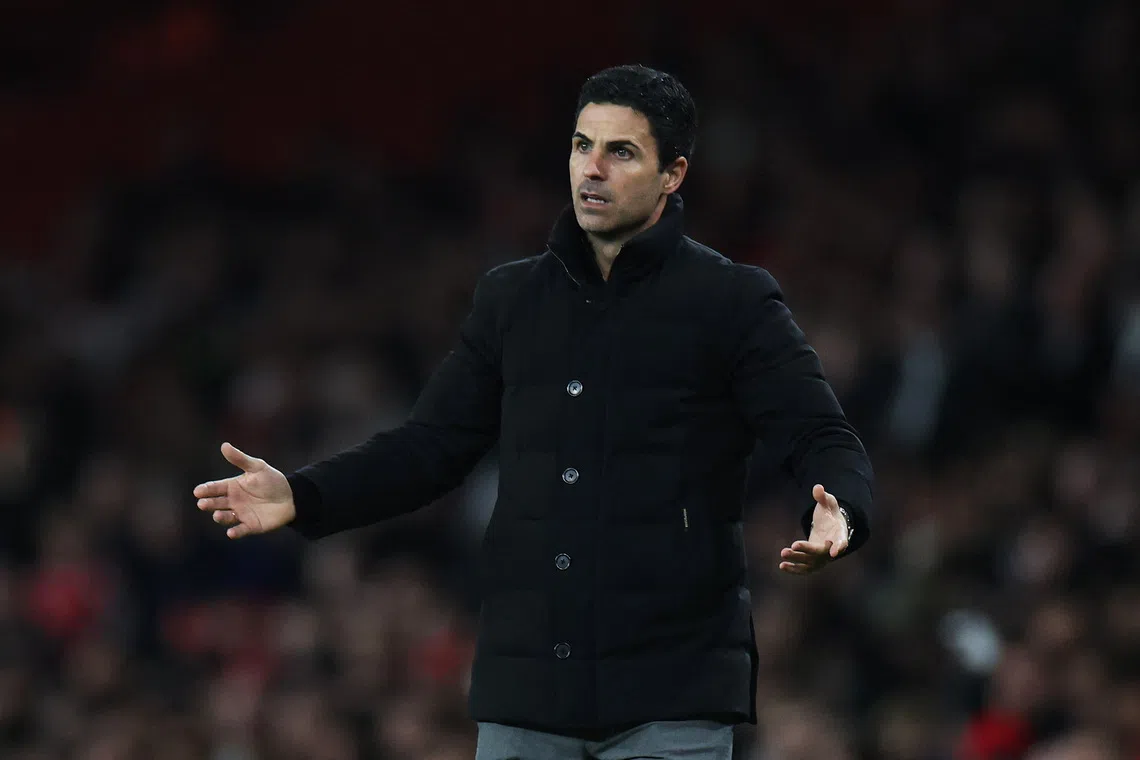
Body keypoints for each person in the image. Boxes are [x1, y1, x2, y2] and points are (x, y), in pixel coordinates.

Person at [193, 64, 874, 760]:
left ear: (674, 175)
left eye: (621, 152)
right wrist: (304, 495)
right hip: (528, 695)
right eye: (582, 145)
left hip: (674, 688)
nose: (593, 169)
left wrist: (839, 510)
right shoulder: (511, 300)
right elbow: (429, 448)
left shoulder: (733, 301)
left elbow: (819, 431)